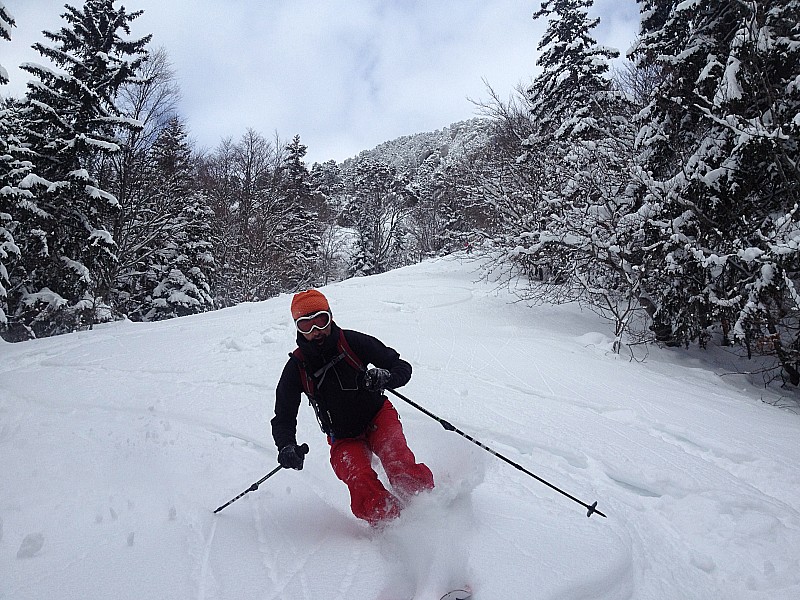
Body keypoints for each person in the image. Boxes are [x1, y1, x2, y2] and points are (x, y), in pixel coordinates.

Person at [272, 289, 434, 526]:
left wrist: (386, 377)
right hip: (343, 437)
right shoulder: (297, 366)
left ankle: (428, 508)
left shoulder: (352, 342)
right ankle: (393, 527)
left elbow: (401, 366)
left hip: (377, 416)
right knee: (360, 480)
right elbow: (283, 415)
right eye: (306, 326)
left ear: (330, 316)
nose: (315, 331)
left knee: (398, 462)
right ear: (298, 328)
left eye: (320, 321)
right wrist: (286, 446)